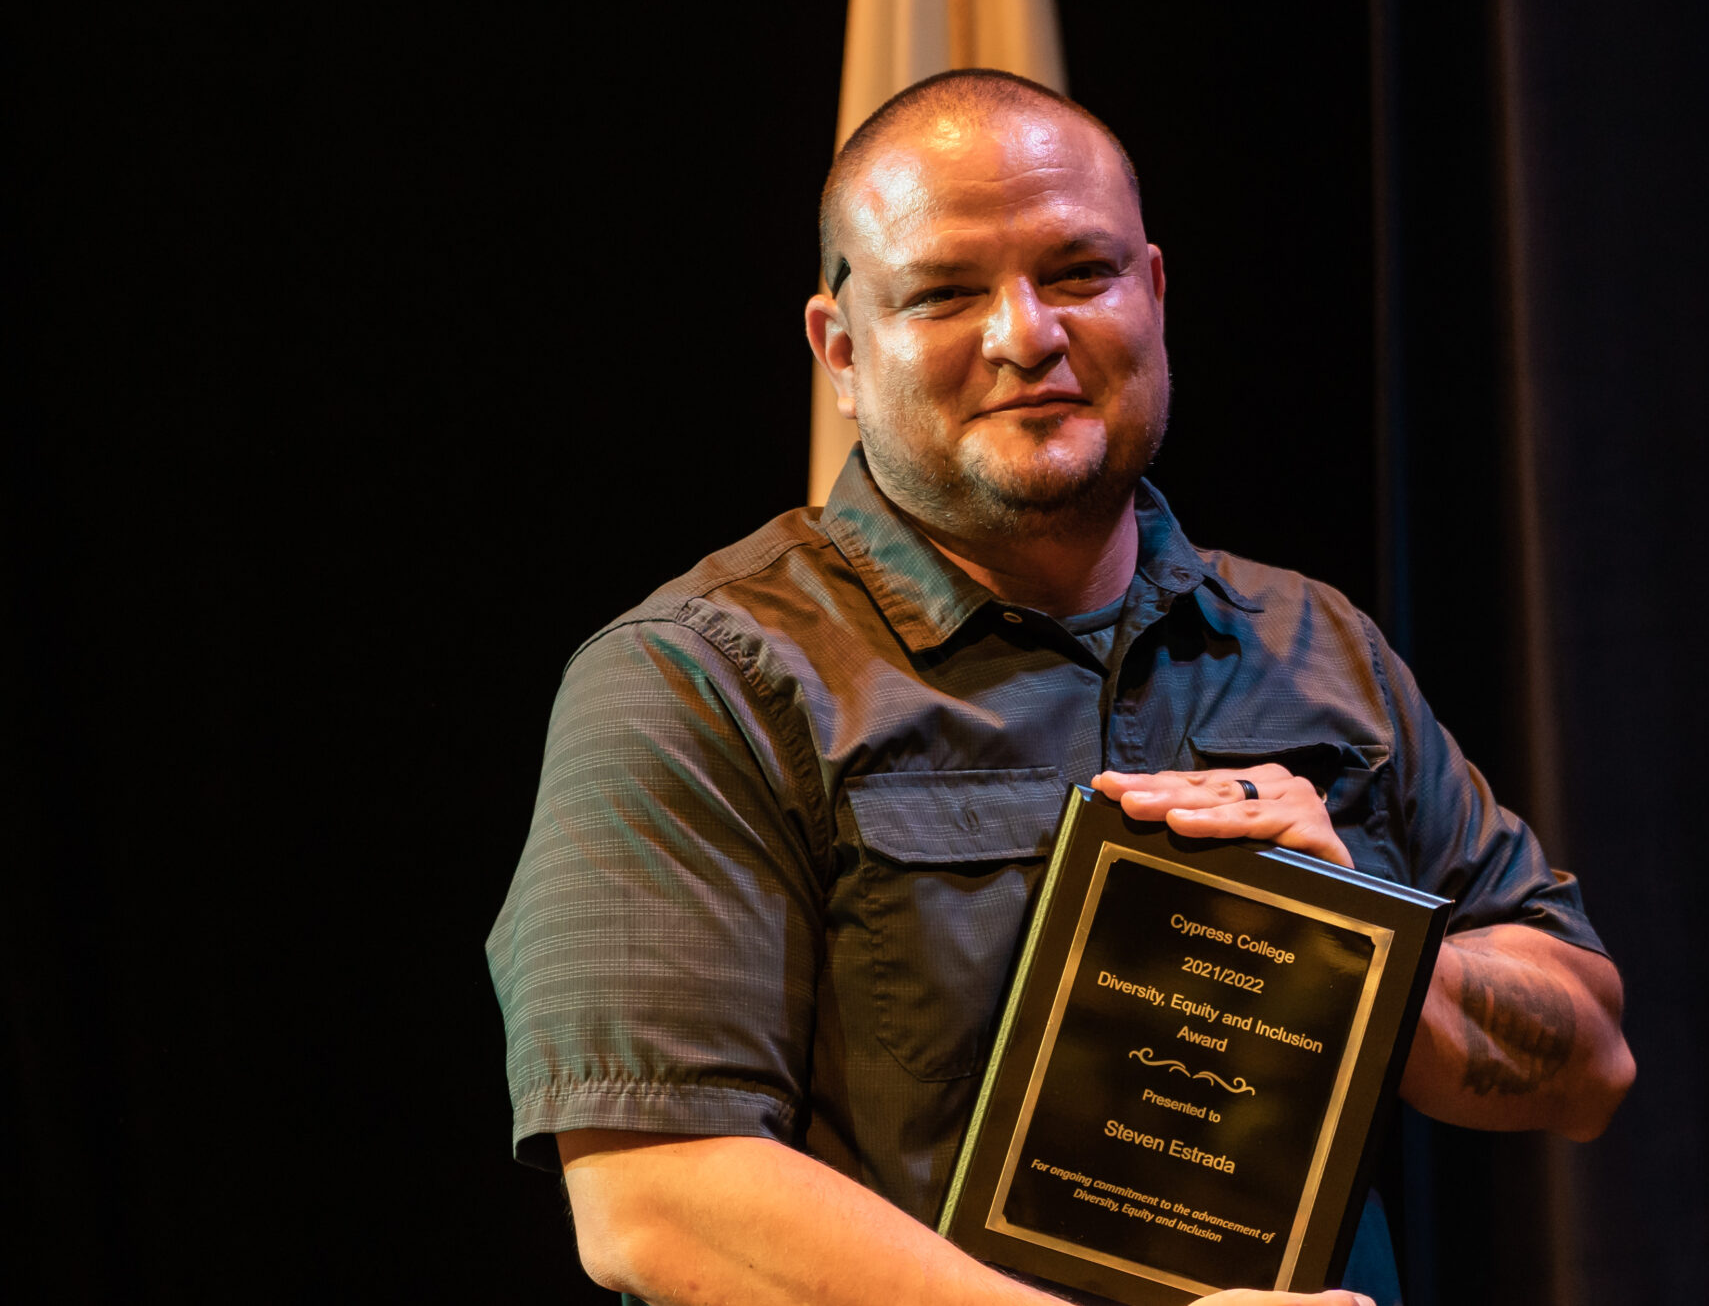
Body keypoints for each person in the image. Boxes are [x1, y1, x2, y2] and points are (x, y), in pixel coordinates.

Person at [487, 69, 1635, 1306]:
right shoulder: (697, 680)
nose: (1025, 335)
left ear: (1152, 290)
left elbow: (1585, 1066)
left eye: (1079, 274)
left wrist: (1356, 946)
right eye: (943, 294)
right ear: (839, 347)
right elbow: (658, 1201)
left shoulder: (1315, 646)